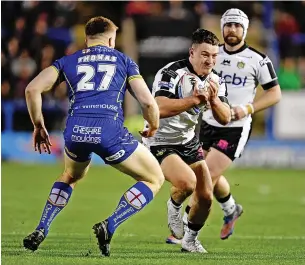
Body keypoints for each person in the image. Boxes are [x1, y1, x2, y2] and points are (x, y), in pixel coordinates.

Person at [23, 16, 165, 257]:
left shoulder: (68, 61)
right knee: (154, 179)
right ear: (111, 38)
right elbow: (148, 102)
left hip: (76, 130)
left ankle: (41, 227)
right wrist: (152, 126)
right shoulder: (124, 60)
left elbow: (32, 88)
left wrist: (38, 125)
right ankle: (110, 224)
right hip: (110, 131)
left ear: (87, 38)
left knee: (70, 175)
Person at [169, 8, 282, 243]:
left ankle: (187, 232)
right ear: (222, 28)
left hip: (235, 127)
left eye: (237, 25)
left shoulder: (258, 59)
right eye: (228, 25)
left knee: (204, 176)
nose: (232, 29)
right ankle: (231, 209)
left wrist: (248, 108)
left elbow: (274, 93)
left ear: (245, 30)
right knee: (207, 172)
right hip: (208, 124)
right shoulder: (212, 54)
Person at [143, 29, 231, 253]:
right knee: (186, 183)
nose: (210, 60)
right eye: (204, 55)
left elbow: (226, 117)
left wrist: (213, 101)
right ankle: (174, 205)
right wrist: (193, 100)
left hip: (188, 141)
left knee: (206, 197)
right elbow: (159, 107)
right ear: (192, 53)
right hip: (160, 139)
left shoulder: (216, 80)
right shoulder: (172, 73)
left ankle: (190, 241)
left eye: (214, 55)